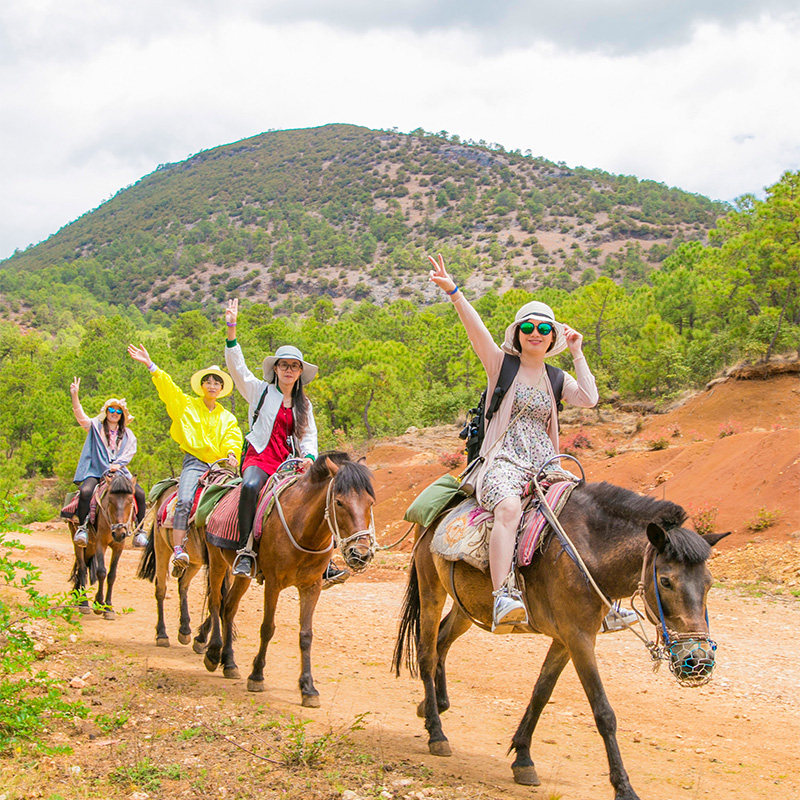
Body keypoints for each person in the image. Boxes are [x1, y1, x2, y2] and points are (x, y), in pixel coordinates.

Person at [428, 254, 600, 633]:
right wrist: (454, 292)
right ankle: (502, 594)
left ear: (552, 335)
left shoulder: (557, 377)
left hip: (546, 466)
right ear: (518, 333)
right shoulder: (500, 364)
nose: (535, 332)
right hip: (501, 462)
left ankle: (599, 599)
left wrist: (577, 352)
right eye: (527, 326)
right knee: (507, 508)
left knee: (585, 511)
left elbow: (589, 398)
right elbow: (477, 332)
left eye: (543, 327)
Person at [223, 299, 349, 587]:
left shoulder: (304, 403)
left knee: (318, 495)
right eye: (284, 365)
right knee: (252, 486)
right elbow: (237, 368)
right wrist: (232, 329)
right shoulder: (259, 391)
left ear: (299, 372)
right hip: (259, 457)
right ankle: (245, 551)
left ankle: (324, 560)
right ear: (276, 369)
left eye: (294, 366)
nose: (289, 370)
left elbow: (309, 435)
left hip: (288, 462)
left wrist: (309, 456)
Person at [127, 344, 243, 574]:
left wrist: (231, 454)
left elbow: (233, 437)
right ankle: (179, 549)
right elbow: (168, 390)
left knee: (238, 502)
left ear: (221, 388)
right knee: (185, 499)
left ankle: (239, 548)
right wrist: (152, 366)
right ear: (202, 385)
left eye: (217, 382)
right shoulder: (187, 405)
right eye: (209, 381)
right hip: (195, 463)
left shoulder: (227, 416)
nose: (212, 385)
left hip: (220, 467)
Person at [69, 379, 147, 546]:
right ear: (106, 412)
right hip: (97, 471)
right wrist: (75, 395)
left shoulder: (128, 434)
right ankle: (83, 527)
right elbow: (81, 417)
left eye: (118, 411)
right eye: (111, 409)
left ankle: (140, 530)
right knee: (86, 491)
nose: (114, 413)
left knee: (139, 494)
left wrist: (118, 464)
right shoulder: (95, 427)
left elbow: (130, 452)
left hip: (119, 472)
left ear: (122, 416)